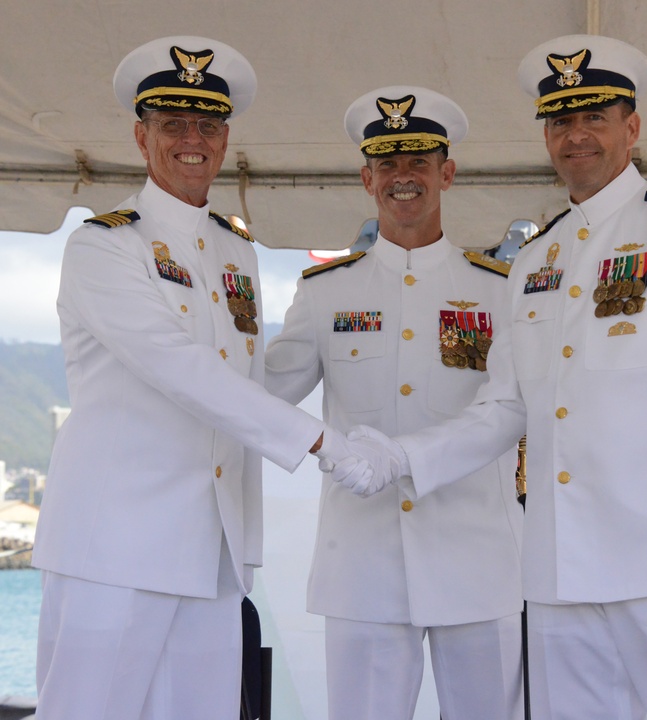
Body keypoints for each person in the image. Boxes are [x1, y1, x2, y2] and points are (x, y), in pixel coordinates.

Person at [339, 35, 647, 719]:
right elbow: (506, 406)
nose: (576, 137)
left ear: (630, 128)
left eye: (593, 118)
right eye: (561, 121)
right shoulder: (538, 258)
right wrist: (403, 457)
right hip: (556, 572)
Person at [31, 35, 361, 720]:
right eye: (173, 124)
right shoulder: (104, 245)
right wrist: (326, 444)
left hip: (213, 551)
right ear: (141, 136)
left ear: (224, 138)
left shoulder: (235, 251)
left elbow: (249, 383)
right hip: (115, 547)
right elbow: (177, 369)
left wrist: (345, 322)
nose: (192, 139)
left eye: (207, 125)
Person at [264, 86, 524, 720]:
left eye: (418, 161)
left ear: (447, 173)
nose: (402, 177)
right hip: (364, 566)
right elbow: (265, 395)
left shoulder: (500, 289)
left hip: (477, 561)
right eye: (387, 163)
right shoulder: (326, 291)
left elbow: (514, 407)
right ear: (366, 178)